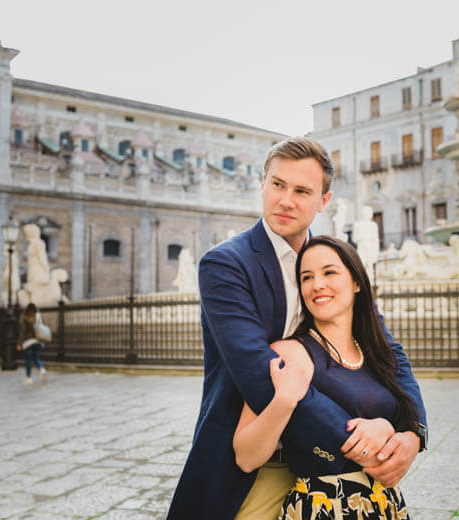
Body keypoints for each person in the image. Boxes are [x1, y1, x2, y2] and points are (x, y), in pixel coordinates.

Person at [168, 137, 427, 520]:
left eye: (302, 190)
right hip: (261, 464)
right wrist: (363, 443)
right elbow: (261, 374)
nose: (285, 200)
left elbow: (387, 350)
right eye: (277, 185)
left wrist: (411, 434)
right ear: (262, 185)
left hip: (334, 475)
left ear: (324, 201)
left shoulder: (335, 261)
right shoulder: (225, 265)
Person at [234, 235, 420, 519]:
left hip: (385, 504)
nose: (317, 284)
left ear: (357, 282)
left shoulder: (375, 353)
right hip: (326, 506)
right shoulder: (289, 353)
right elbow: (245, 456)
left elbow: (406, 413)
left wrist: (389, 429)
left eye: (329, 272)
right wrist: (283, 401)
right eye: (306, 277)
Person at [16, 303, 47, 385]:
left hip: (28, 342)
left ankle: (29, 378)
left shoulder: (24, 318)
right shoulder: (38, 316)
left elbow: (22, 332)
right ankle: (42, 369)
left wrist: (19, 343)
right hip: (37, 342)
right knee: (36, 358)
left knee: (28, 360)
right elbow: (42, 328)